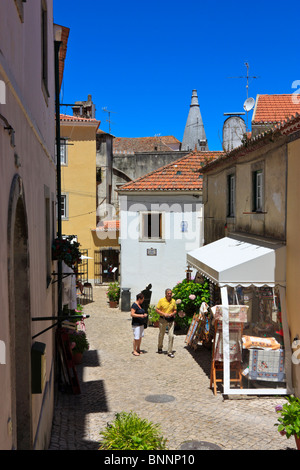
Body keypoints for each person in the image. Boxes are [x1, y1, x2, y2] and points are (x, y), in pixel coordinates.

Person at [155, 288, 177, 358]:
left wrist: (172, 313)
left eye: (170, 293)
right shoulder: (161, 300)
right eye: (168, 293)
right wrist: (163, 314)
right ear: (166, 294)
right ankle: (160, 347)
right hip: (163, 319)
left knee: (171, 335)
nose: (170, 295)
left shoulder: (173, 301)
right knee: (161, 334)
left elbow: (175, 310)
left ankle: (169, 351)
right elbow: (157, 310)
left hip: (170, 320)